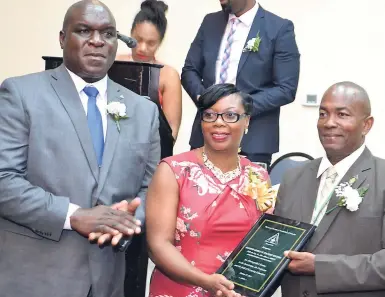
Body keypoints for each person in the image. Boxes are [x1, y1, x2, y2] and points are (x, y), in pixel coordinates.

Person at [0, 1, 160, 297]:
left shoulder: (143, 111)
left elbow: (151, 189)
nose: (97, 41)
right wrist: (72, 215)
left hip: (107, 280)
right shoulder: (21, 94)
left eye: (108, 33)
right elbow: (3, 180)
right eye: (84, 31)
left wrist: (127, 220)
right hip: (34, 277)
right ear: (63, 38)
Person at [146, 84, 276, 297]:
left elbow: (264, 243)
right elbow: (158, 245)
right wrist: (206, 282)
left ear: (247, 122)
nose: (219, 123)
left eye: (231, 116)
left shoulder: (258, 175)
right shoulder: (173, 171)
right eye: (210, 115)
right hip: (181, 288)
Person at [275, 81, 385, 297]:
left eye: (342, 115)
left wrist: (321, 267)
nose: (329, 123)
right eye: (323, 114)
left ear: (366, 125)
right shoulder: (292, 177)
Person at [182, 0, 300, 169]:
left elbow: (286, 88)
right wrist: (204, 100)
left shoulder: (278, 28)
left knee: (244, 195)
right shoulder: (210, 22)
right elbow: (189, 71)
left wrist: (239, 107)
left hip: (253, 139)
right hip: (206, 135)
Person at [117, 0, 182, 143]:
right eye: (138, 39)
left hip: (151, 151)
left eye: (151, 43)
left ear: (160, 42)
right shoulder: (114, 63)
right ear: (130, 33)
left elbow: (171, 131)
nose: (142, 48)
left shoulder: (168, 75)